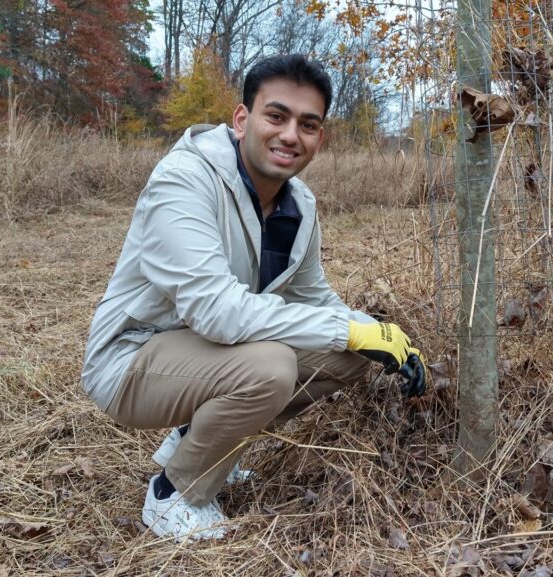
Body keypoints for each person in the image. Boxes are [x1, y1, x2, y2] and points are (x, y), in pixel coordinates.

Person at [81, 54, 425, 542]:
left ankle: (194, 438)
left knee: (348, 358)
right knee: (271, 368)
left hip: (207, 354)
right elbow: (216, 312)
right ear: (242, 120)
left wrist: (382, 335)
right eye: (276, 116)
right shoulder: (184, 179)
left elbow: (314, 297)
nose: (290, 135)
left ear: (319, 138)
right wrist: (347, 328)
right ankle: (175, 494)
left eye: (308, 124)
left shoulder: (299, 205)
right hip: (132, 359)